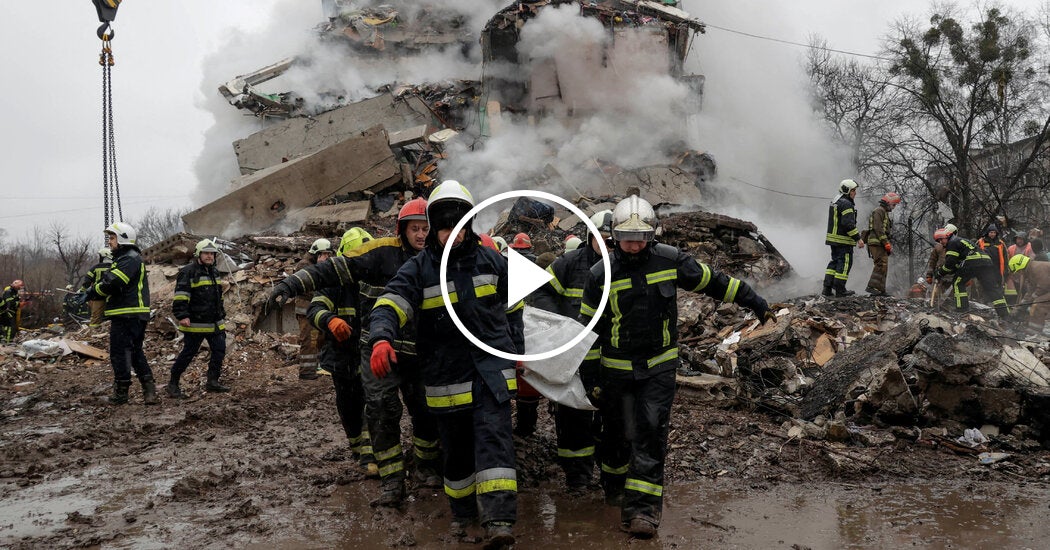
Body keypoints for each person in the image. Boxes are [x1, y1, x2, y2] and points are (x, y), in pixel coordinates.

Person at [578, 195, 771, 538]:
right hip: (616, 370)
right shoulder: (599, 275)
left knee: (651, 432)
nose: (634, 245)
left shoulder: (670, 261)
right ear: (614, 236)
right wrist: (591, 379)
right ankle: (614, 486)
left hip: (658, 367)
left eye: (641, 237)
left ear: (651, 234)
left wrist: (753, 299)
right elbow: (588, 333)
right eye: (627, 238)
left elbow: (714, 281)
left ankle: (643, 512)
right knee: (616, 435)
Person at [533, 209, 613, 494]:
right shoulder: (570, 263)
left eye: (611, 241)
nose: (606, 246)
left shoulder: (623, 266)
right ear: (590, 237)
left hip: (609, 358)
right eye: (601, 239)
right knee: (572, 418)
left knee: (610, 417)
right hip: (574, 359)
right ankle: (577, 479)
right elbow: (541, 291)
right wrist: (560, 325)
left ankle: (609, 475)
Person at [306, 227, 379, 480]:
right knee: (349, 406)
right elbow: (315, 309)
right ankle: (358, 449)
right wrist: (329, 320)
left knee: (374, 402)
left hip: (369, 355)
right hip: (342, 357)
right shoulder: (333, 281)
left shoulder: (378, 279)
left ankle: (371, 455)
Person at [87, 222, 156, 405]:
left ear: (123, 239)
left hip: (127, 313)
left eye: (112, 238)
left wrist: (92, 291)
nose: (109, 242)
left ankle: (121, 394)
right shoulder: (127, 258)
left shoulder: (129, 258)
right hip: (133, 313)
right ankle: (149, 392)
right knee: (134, 352)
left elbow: (113, 282)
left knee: (119, 353)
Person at [167, 239, 230, 398]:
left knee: (219, 350)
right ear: (198, 254)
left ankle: (213, 382)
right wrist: (182, 315)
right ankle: (173, 383)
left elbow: (218, 295)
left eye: (212, 254)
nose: (210, 256)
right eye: (206, 253)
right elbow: (181, 295)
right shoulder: (188, 271)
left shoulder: (214, 271)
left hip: (215, 322)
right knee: (189, 353)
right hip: (195, 322)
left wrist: (221, 312)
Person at [934, 225, 1009, 318]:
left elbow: (950, 264)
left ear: (948, 236)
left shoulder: (952, 243)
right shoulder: (961, 241)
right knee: (992, 288)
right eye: (938, 241)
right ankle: (1005, 314)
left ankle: (962, 310)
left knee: (958, 282)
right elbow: (956, 264)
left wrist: (939, 273)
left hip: (973, 261)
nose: (941, 242)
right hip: (986, 261)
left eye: (941, 239)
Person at [296, 238, 334, 380]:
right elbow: (308, 287)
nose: (327, 257)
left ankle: (319, 366)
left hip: (317, 310)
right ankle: (307, 371)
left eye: (329, 254)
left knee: (320, 339)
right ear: (317, 254)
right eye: (325, 254)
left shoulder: (320, 266)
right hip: (306, 311)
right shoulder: (304, 266)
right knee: (309, 341)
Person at [823, 179, 864, 297]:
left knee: (834, 263)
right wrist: (858, 239)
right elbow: (848, 224)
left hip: (834, 240)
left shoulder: (835, 201)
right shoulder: (846, 204)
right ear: (847, 191)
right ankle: (840, 290)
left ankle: (827, 289)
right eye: (853, 190)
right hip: (843, 241)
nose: (855, 193)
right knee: (845, 264)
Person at [864, 192, 901, 296]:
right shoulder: (879, 211)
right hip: (876, 242)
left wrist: (886, 243)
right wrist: (886, 243)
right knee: (880, 264)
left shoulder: (884, 212)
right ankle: (872, 287)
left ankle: (880, 290)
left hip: (880, 243)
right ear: (888, 202)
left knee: (884, 266)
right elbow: (878, 228)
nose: (894, 207)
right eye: (893, 205)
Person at [1009, 254, 1050, 332]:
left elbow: (1044, 286)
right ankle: (1032, 328)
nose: (1019, 273)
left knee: (1038, 303)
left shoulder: (1037, 268)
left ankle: (1035, 331)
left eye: (1018, 271)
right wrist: (1021, 306)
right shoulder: (1030, 271)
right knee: (1034, 303)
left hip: (1047, 288)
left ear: (1021, 266)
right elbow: (1031, 291)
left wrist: (1033, 298)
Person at [978, 223, 1012, 303]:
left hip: (997, 269)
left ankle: (997, 303)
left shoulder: (1000, 243)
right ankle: (984, 302)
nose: (993, 234)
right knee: (984, 286)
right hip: (984, 268)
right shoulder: (981, 242)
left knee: (997, 287)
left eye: (994, 232)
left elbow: (1005, 256)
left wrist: (1006, 269)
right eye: (991, 232)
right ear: (987, 233)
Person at [79, 248, 113, 327]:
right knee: (111, 317)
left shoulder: (95, 267)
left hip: (97, 296)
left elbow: (87, 281)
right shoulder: (115, 267)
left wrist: (82, 291)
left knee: (95, 318)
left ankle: (94, 331)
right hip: (112, 296)